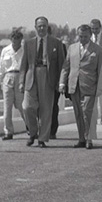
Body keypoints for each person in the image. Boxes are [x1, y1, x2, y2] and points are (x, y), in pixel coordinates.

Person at [19, 16, 65, 147]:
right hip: (31, 76)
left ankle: (42, 139)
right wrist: (21, 82)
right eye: (39, 26)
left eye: (44, 26)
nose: (41, 28)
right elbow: (23, 65)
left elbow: (62, 65)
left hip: (48, 76)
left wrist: (61, 82)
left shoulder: (56, 43)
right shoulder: (28, 43)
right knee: (27, 107)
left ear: (47, 27)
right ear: (35, 27)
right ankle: (33, 132)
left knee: (46, 110)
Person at [59, 24, 102, 149]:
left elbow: (101, 70)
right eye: (80, 36)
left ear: (90, 35)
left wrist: (100, 87)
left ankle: (89, 138)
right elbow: (66, 67)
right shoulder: (72, 48)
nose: (82, 39)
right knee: (78, 113)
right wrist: (62, 83)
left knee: (87, 112)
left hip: (90, 86)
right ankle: (81, 139)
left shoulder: (98, 50)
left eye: (85, 36)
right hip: (74, 86)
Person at [0, 28, 25, 140]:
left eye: (18, 38)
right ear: (10, 39)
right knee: (7, 107)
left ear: (21, 39)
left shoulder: (25, 50)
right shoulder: (6, 50)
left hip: (20, 77)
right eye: (13, 38)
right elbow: (2, 67)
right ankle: (8, 132)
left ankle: (31, 128)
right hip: (8, 77)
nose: (15, 40)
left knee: (22, 106)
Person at [48, 25, 67, 139]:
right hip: (40, 82)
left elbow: (63, 64)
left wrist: (61, 82)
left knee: (53, 106)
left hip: (55, 81)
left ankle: (52, 130)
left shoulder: (59, 45)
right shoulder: (36, 45)